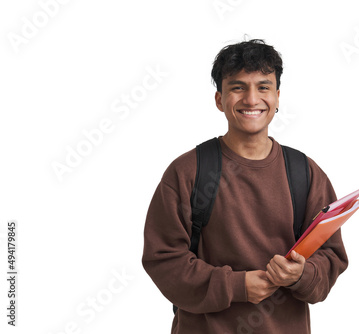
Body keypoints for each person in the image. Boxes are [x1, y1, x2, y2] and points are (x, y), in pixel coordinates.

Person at [142, 39, 348, 334]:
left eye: (263, 87)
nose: (252, 99)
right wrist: (235, 286)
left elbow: (331, 257)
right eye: (238, 87)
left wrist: (301, 275)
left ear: (277, 97)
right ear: (219, 99)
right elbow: (163, 260)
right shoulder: (188, 171)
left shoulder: (305, 173)